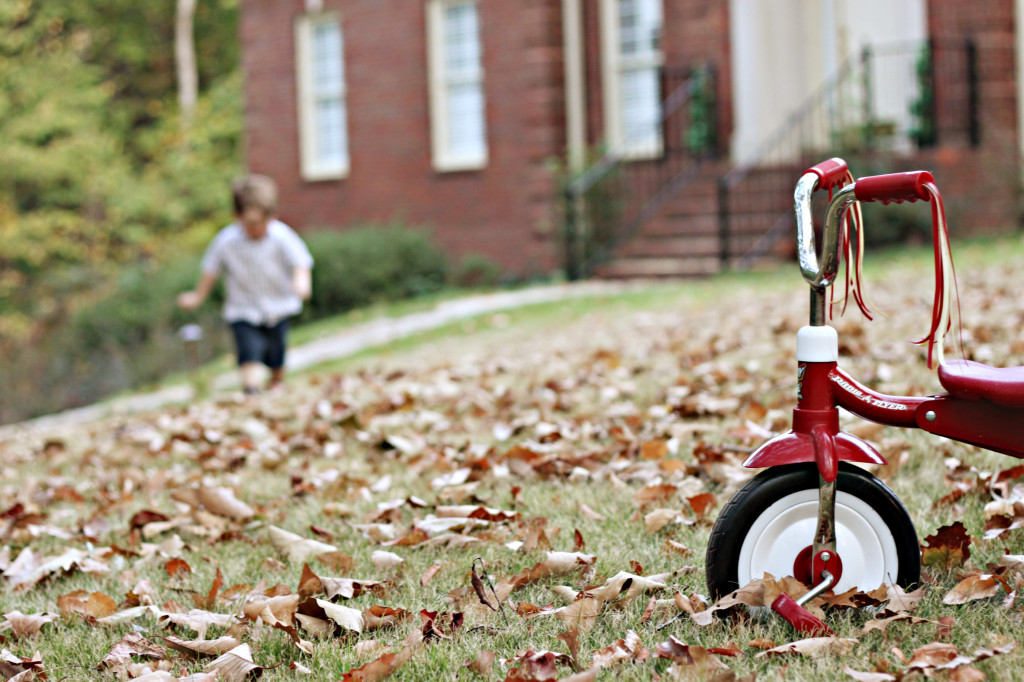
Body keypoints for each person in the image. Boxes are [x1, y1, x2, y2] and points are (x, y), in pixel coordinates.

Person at [177, 174, 313, 395]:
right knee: (249, 352)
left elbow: (301, 262)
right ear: (236, 216)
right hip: (243, 308)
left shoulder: (281, 236)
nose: (257, 228)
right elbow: (211, 270)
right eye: (250, 224)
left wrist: (301, 282)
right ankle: (251, 391)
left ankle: (277, 384)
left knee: (276, 354)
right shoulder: (226, 241)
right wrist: (197, 296)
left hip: (278, 305)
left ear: (271, 216)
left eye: (262, 223)